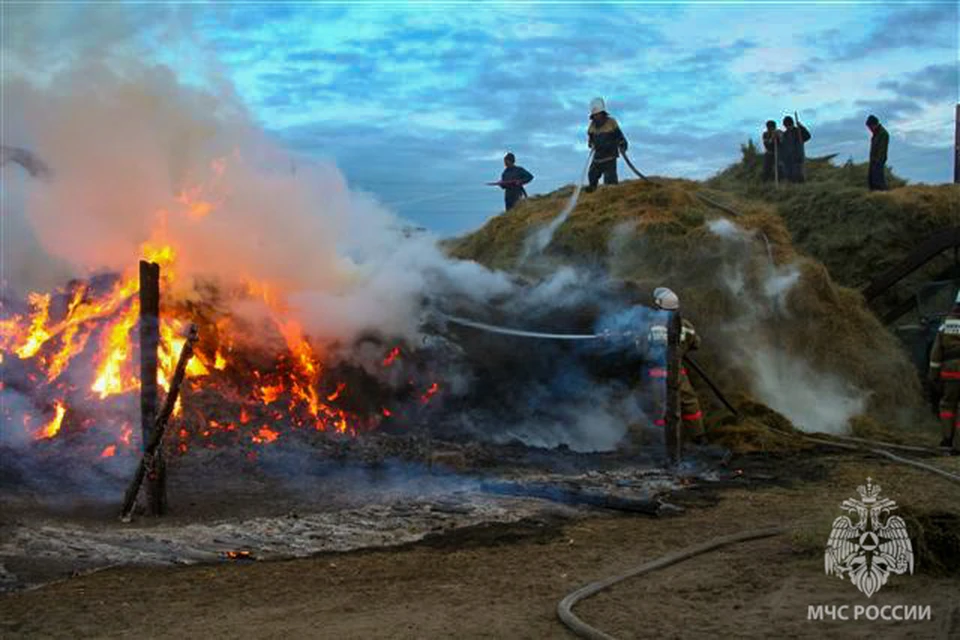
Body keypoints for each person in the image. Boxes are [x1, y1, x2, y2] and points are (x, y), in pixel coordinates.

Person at [639, 287, 705, 444]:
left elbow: (641, 348)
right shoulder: (686, 326)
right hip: (678, 372)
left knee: (659, 407)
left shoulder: (648, 325)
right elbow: (696, 344)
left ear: (658, 306)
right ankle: (699, 437)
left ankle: (662, 440)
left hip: (657, 374)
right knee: (689, 403)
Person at [928, 290, 960, 453]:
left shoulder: (946, 324)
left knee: (948, 405)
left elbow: (936, 352)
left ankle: (947, 440)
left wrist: (933, 375)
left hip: (950, 373)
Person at [585, 97, 627, 193]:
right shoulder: (592, 126)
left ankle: (612, 195)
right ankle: (592, 190)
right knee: (592, 174)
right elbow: (590, 139)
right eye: (595, 115)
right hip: (597, 158)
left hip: (610, 157)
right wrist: (591, 144)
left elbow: (619, 136)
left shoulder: (611, 122)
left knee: (610, 180)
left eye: (598, 114)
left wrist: (623, 144)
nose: (597, 117)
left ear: (603, 113)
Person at [779, 114, 811, 183]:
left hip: (798, 156)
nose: (787, 127)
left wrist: (802, 127)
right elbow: (782, 146)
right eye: (786, 126)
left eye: (788, 125)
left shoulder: (798, 131)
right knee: (789, 176)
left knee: (798, 175)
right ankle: (792, 190)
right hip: (787, 158)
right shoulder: (785, 134)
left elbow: (807, 136)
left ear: (792, 124)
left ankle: (802, 189)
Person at [865, 114, 889, 191]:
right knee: (871, 182)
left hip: (878, 161)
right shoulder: (876, 134)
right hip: (873, 161)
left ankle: (883, 197)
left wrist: (878, 161)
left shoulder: (883, 133)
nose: (869, 129)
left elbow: (882, 150)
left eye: (870, 127)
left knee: (878, 182)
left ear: (874, 125)